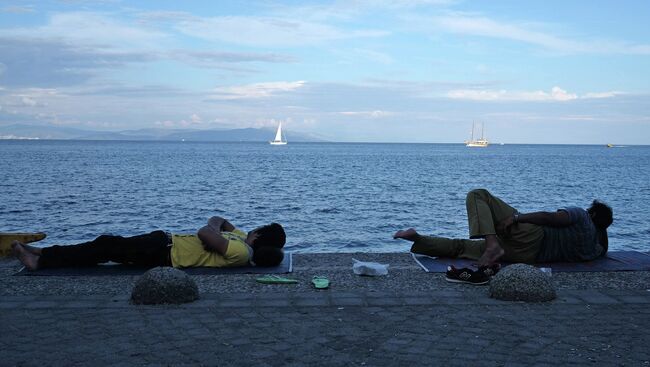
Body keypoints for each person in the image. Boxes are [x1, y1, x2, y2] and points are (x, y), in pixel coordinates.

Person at [394, 188, 613, 267]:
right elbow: (604, 247)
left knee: (478, 195)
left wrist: (516, 217)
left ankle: (491, 244)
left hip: (532, 236)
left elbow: (549, 218)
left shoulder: (583, 216)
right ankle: (418, 240)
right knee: (461, 248)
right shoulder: (594, 248)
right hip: (527, 256)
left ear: (592, 213)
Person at [12, 216, 286, 271]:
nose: (252, 228)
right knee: (105, 243)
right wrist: (217, 228)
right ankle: (45, 253)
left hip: (162, 253)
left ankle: (41, 261)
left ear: (259, 236)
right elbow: (218, 220)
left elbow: (206, 230)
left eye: (257, 228)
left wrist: (214, 231)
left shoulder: (240, 250)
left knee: (105, 246)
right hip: (163, 241)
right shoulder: (239, 238)